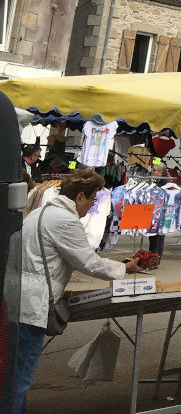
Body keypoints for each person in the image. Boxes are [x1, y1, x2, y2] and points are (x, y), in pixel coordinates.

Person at [6, 169, 146, 414]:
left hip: (16, 299)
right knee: (20, 378)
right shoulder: (64, 220)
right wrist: (124, 268)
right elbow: (88, 262)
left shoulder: (39, 213)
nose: (93, 206)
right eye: (93, 199)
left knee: (12, 375)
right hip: (32, 304)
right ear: (80, 196)